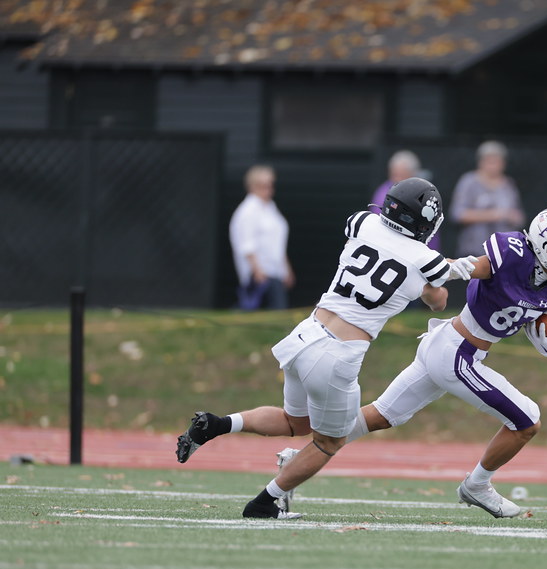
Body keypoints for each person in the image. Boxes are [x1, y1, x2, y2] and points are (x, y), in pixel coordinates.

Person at [175, 178, 478, 519]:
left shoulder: (361, 222)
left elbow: (389, 251)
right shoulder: (427, 259)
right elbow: (437, 301)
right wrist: (450, 269)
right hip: (339, 355)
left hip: (306, 334)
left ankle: (216, 424)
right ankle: (264, 502)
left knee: (295, 422)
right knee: (328, 442)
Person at [346, 207, 547, 518]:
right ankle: (477, 485)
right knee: (528, 421)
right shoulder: (513, 255)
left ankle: (302, 455)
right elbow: (464, 269)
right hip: (456, 352)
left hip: (451, 349)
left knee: (382, 415)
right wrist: (433, 269)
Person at [229, 165, 295, 310]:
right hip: (261, 272)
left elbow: (277, 243)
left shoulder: (270, 208)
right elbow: (246, 244)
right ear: (252, 186)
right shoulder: (248, 211)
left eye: (270, 184)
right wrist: (257, 271)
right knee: (263, 309)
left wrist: (286, 269)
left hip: (275, 271)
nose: (269, 188)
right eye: (263, 185)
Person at [450, 140, 525, 257]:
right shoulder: (469, 182)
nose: (493, 165)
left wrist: (513, 216)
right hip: (473, 252)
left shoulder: (508, 185)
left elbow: (519, 217)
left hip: (503, 252)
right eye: (489, 161)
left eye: (496, 161)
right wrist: (493, 215)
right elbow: (458, 214)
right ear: (481, 162)